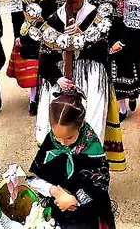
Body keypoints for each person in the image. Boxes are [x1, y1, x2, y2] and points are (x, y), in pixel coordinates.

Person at [36, 0, 126, 172]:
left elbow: (104, 52)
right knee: (58, 123)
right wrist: (56, 78)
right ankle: (60, 171)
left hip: (92, 78)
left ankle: (88, 172)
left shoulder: (97, 16)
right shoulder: (54, 19)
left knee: (91, 122)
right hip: (59, 80)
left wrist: (81, 37)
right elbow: (43, 60)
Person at [27, 90, 116, 229]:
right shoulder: (51, 141)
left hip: (87, 214)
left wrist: (74, 199)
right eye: (57, 136)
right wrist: (53, 190)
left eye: (68, 138)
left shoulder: (91, 147)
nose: (62, 143)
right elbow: (36, 176)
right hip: (58, 208)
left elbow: (100, 182)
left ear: (80, 126)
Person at [8, 0, 57, 116]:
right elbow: (15, 15)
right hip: (28, 33)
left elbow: (53, 12)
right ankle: (33, 99)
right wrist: (17, 34)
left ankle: (48, 97)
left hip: (46, 31)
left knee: (47, 63)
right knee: (32, 67)